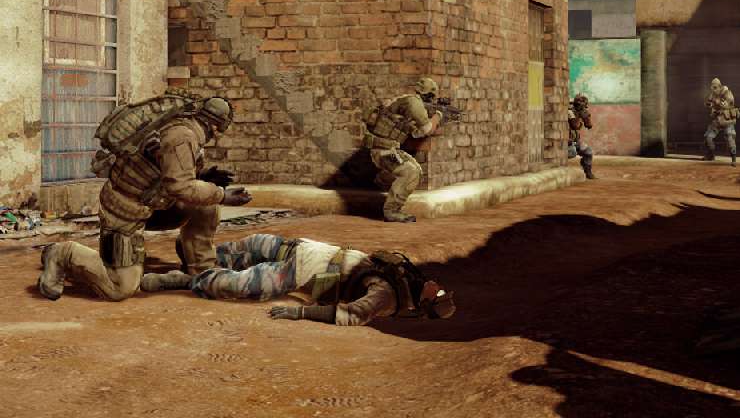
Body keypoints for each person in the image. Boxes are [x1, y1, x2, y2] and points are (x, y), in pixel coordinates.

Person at [38, 94, 252, 302]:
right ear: (214, 127)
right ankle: (63, 253)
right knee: (119, 288)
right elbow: (180, 186)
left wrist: (204, 177)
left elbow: (169, 172)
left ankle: (201, 270)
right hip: (125, 211)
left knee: (206, 205)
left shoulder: (183, 126)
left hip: (154, 205)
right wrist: (223, 195)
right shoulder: (182, 136)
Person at [139, 233, 456, 327]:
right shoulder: (405, 274)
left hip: (299, 273)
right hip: (304, 249)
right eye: (441, 289)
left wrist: (300, 312)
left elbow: (349, 316)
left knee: (232, 285)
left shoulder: (388, 297)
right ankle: (197, 262)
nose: (436, 287)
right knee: (246, 247)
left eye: (437, 295)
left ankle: (182, 280)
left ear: (425, 304)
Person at [362, 77, 445, 222]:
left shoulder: (407, 102)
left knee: (417, 170)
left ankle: (380, 181)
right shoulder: (413, 103)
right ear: (429, 95)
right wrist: (438, 116)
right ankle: (391, 211)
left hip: (389, 148)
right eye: (432, 97)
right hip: (382, 150)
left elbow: (416, 133)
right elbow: (427, 129)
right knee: (410, 172)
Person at [703, 78, 740, 165]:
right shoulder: (713, 94)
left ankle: (734, 159)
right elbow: (707, 103)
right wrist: (709, 104)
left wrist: (716, 102)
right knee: (708, 137)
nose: (713, 89)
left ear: (720, 86)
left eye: (715, 87)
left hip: (727, 119)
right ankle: (710, 155)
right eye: (712, 87)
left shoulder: (727, 93)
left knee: (730, 138)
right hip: (718, 119)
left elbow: (726, 104)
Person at [567, 94, 595, 180]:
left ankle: (588, 172)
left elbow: (589, 125)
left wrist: (585, 117)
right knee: (572, 152)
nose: (583, 108)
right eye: (581, 106)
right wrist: (580, 116)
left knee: (588, 152)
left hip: (575, 141)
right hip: (567, 142)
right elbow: (575, 125)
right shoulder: (569, 112)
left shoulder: (579, 111)